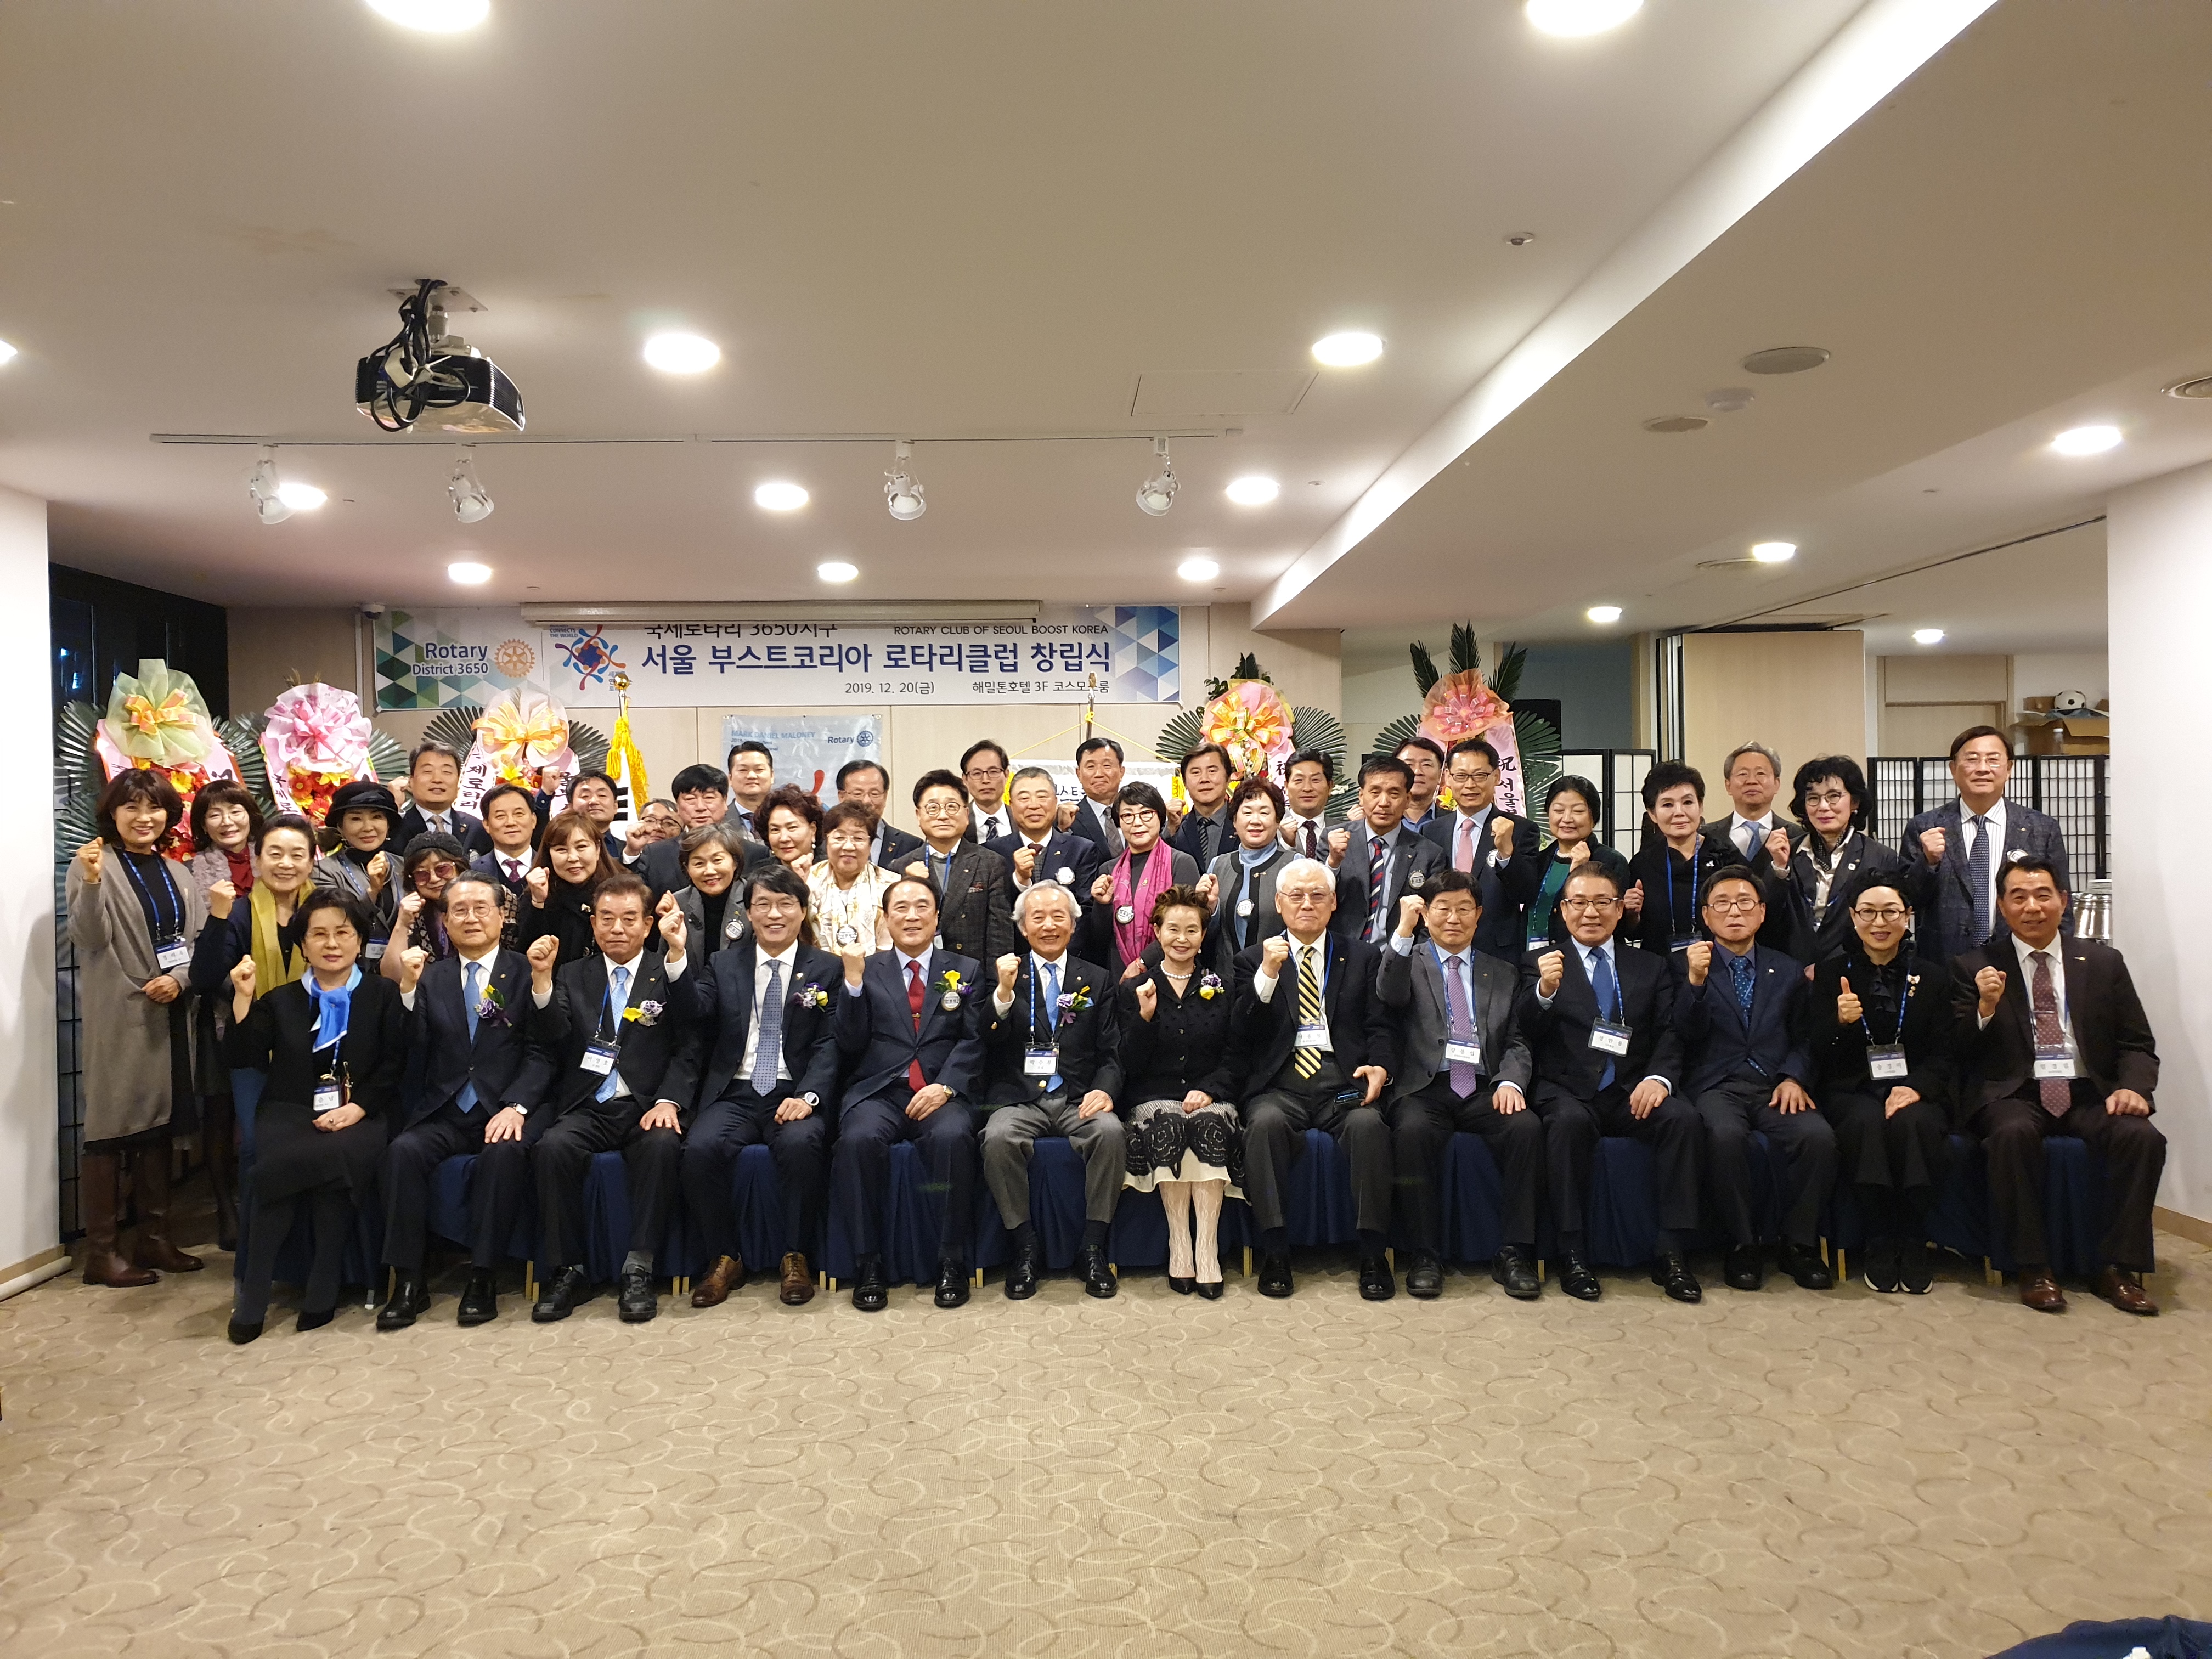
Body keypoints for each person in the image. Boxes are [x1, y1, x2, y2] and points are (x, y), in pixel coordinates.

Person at [1954, 855, 2162, 1315]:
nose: (2032, 907)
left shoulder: (2103, 962)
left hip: (2090, 1090)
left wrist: (2134, 1089)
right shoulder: (1975, 965)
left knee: (2142, 1137)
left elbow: (2137, 1043)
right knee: (2011, 1135)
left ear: (2063, 901)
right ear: (2002, 907)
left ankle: (2117, 1268)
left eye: (2043, 895)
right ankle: (2032, 1266)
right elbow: (1958, 1051)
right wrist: (1985, 1009)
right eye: (2019, 897)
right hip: (2014, 1091)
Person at [223, 889, 409, 1342]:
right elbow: (245, 1055)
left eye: (343, 933)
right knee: (289, 1156)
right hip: (289, 1110)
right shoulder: (280, 999)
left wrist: (358, 1108)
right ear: (302, 945)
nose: (331, 944)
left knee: (333, 1155)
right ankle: (257, 1292)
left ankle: (321, 1282)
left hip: (362, 1111)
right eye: (319, 934)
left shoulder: (383, 995)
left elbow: (395, 1063)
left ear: (359, 941)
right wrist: (243, 999)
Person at [1517, 861, 1700, 1304]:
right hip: (1567, 1089)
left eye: (1603, 902)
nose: (1591, 912)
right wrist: (1544, 992)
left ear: (1620, 910)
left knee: (1682, 1120)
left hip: (1631, 1088)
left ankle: (1672, 1252)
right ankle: (1572, 1253)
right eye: (1579, 902)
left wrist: (1658, 1079)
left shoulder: (1650, 966)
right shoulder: (1540, 963)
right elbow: (1525, 1031)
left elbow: (1670, 1032)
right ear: (1563, 910)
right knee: (1566, 1125)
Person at [526, 871, 703, 1324]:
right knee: (552, 1148)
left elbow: (690, 1043)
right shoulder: (573, 973)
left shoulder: (668, 970)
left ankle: (639, 1268)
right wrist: (542, 982)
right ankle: (568, 1270)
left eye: (629, 919)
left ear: (648, 925)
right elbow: (553, 1037)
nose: (617, 929)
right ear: (594, 924)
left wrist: (669, 1101)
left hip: (646, 1102)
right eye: (606, 919)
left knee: (662, 1146)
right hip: (588, 1102)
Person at [377, 872, 550, 1330]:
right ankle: (409, 1280)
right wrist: (408, 992)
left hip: (506, 1108)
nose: (471, 918)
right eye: (459, 911)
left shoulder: (525, 971)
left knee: (503, 1153)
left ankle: (483, 1276)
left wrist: (517, 1106)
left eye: (481, 909)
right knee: (402, 1152)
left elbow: (543, 1052)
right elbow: (412, 1049)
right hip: (447, 1108)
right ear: (446, 921)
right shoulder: (431, 977)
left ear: (501, 915)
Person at [68, 771, 210, 1287]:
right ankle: (101, 1253)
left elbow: (199, 940)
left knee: (160, 1124)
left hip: (172, 1010)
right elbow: (88, 937)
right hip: (122, 1013)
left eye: (154, 807)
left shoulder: (178, 872)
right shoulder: (94, 863)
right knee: (110, 1128)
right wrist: (90, 882)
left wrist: (180, 979)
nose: (144, 817)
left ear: (169, 815)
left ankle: (153, 1239)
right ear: (113, 813)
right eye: (132, 807)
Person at [680, 865, 843, 1308]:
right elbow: (695, 1012)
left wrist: (809, 1096)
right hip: (735, 1089)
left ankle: (796, 1256)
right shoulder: (723, 963)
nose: (774, 915)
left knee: (802, 1144)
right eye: (763, 905)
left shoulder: (826, 967)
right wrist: (677, 956)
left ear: (803, 911)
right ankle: (725, 1257)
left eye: (785, 904)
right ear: (748, 913)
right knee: (699, 1149)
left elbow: (830, 1042)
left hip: (793, 1089)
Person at [1232, 857, 1395, 1300]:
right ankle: (1275, 1252)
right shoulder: (1252, 959)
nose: (1307, 904)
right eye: (1297, 896)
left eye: (1318, 895)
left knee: (1368, 1125)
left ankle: (1373, 1254)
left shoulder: (1362, 956)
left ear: (1334, 902)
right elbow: (1241, 1032)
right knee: (1264, 1126)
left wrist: (1380, 1066)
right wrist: (1267, 975)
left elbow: (1381, 1025)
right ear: (1279, 903)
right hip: (1280, 1084)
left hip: (1342, 1083)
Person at [830, 874, 990, 1312]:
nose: (912, 916)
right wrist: (853, 985)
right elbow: (849, 1042)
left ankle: (951, 1259)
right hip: (881, 1090)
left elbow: (974, 1040)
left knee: (953, 1138)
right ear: (885, 918)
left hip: (941, 1090)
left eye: (922, 906)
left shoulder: (967, 970)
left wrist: (946, 1086)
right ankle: (868, 1263)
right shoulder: (866, 968)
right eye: (901, 908)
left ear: (937, 916)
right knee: (857, 1141)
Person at [1378, 871, 1541, 1299]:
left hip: (1485, 1085)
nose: (1454, 918)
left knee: (1525, 1127)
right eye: (1443, 908)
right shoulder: (1407, 961)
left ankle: (1515, 1252)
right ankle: (1424, 1255)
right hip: (1425, 1085)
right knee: (1412, 1131)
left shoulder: (1503, 971)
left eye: (1464, 908)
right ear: (1426, 913)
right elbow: (1389, 994)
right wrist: (1402, 932)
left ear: (1479, 914)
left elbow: (1518, 1040)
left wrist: (1511, 1082)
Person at [1674, 868, 1836, 1292]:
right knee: (1725, 1137)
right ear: (1706, 916)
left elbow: (1805, 1035)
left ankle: (1799, 1244)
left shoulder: (1788, 969)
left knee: (1817, 1137)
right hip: (1716, 1084)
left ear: (1762, 912)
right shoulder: (1687, 966)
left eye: (1745, 902)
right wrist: (1695, 983)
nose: (1734, 912)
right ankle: (1742, 1243)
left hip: (1773, 1084)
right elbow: (1683, 1033)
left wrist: (1794, 1077)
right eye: (1722, 904)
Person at [979, 882, 1125, 1300]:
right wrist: (1003, 993)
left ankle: (1092, 1247)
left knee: (1111, 1133)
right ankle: (1025, 1246)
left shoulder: (1096, 978)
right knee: (998, 1137)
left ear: (1074, 925)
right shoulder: (1004, 973)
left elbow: (1112, 1051)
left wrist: (1105, 1091)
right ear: (1023, 928)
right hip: (1021, 1096)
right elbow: (988, 1038)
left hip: (1078, 1096)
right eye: (1038, 918)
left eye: (1058, 916)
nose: (1048, 926)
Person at [1806, 883, 1953, 1295]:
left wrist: (1916, 1088)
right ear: (1853, 918)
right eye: (1868, 912)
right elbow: (1817, 1050)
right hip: (1852, 1088)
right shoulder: (1831, 974)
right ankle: (1879, 1238)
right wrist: (1839, 1023)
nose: (1879, 922)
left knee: (1915, 1123)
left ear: (1908, 916)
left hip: (1913, 1087)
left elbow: (1944, 1053)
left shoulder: (1933, 976)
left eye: (1890, 912)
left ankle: (1914, 1238)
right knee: (1867, 1123)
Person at [190, 811, 321, 1254]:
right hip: (254, 1047)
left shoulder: (325, 911)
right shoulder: (239, 913)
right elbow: (205, 978)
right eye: (275, 854)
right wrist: (217, 917)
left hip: (315, 1046)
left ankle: (304, 1241)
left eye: (297, 855)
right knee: (254, 1144)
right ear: (258, 859)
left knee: (311, 1141)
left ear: (312, 860)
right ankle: (258, 1246)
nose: (286, 864)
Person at [1118, 885, 1242, 1296]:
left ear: (1204, 935)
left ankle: (1207, 1248)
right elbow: (1129, 1064)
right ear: (1157, 932)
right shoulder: (1136, 988)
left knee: (1209, 1123)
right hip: (1153, 1095)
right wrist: (1146, 1018)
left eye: (1192, 930)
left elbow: (1236, 1055)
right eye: (1173, 929)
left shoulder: (1222, 986)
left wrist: (1210, 1090)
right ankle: (1179, 1244)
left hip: (1211, 1095)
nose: (1182, 939)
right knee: (1168, 1123)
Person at [1902, 725, 2072, 966]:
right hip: (1944, 964)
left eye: (1993, 760)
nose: (1982, 768)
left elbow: (2061, 904)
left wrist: (2054, 961)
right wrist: (1927, 863)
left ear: (2009, 768)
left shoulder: (2042, 828)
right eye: (1972, 759)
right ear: (1953, 769)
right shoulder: (1924, 827)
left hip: (2021, 960)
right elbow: (1906, 900)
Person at [184, 778, 264, 1252]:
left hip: (277, 996)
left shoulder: (275, 856)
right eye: (214, 814)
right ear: (202, 824)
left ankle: (264, 1201)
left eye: (235, 810)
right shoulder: (192, 871)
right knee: (220, 1109)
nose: (227, 821)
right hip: (218, 1003)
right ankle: (225, 1209)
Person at [1773, 757, 1904, 966]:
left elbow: (1881, 924)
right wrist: (1779, 870)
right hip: (1791, 971)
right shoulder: (1785, 851)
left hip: (1852, 969)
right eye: (1813, 798)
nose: (1823, 807)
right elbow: (1770, 917)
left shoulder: (1880, 857)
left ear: (1855, 802)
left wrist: (1829, 969)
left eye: (1834, 796)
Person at [1422, 738, 1538, 964]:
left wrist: (1507, 853)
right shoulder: (1431, 831)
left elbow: (1526, 893)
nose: (1470, 785)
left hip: (1497, 953)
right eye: (1461, 776)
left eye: (1480, 776)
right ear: (1448, 778)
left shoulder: (1521, 829)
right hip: (1440, 948)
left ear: (1497, 776)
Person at [1078, 782, 1200, 975]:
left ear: (1160, 816)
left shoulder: (1181, 863)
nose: (1137, 823)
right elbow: (1100, 940)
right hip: (1120, 975)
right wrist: (1102, 905)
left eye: (1146, 813)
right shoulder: (1108, 870)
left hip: (1168, 972)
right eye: (1128, 816)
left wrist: (1143, 963)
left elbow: (1187, 927)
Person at [1624, 761, 1742, 960]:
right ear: (1652, 814)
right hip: (1659, 966)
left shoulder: (1726, 857)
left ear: (1700, 806)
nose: (1679, 812)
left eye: (1688, 802)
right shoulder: (1643, 864)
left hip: (1718, 963)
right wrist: (1631, 914)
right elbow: (1633, 933)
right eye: (1667, 805)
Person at [1503, 775, 1631, 955]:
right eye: (1558, 810)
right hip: (1533, 958)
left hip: (1583, 959)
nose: (1567, 819)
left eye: (1578, 811)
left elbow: (1616, 923)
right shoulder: (1540, 859)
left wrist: (1581, 871)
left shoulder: (1610, 861)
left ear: (1594, 818)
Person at [1328, 755, 1447, 945]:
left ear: (1407, 799)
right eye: (1375, 792)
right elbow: (1318, 898)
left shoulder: (1429, 854)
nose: (1384, 802)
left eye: (1394, 794)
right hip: (1341, 950)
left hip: (1399, 953)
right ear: (1361, 796)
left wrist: (1407, 954)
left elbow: (1431, 917)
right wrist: (1333, 863)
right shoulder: (1333, 840)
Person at [904, 769, 1017, 967]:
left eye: (951, 807)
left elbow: (999, 937)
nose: (943, 816)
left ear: (966, 814)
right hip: (918, 973)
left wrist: (996, 982)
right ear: (918, 815)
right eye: (933, 808)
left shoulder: (990, 864)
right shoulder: (901, 867)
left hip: (972, 975)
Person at [1198, 777, 1293, 980]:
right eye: (1247, 812)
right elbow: (1207, 936)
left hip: (1279, 978)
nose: (1255, 820)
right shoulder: (1218, 865)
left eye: (1265, 813)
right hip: (1225, 980)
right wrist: (1210, 907)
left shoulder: (1294, 864)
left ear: (1278, 820)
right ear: (1234, 821)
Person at [635, 764, 772, 899]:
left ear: (725, 801)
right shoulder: (655, 855)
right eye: (690, 799)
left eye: (709, 798)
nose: (700, 807)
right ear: (678, 807)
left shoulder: (755, 854)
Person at [987, 764, 1103, 913]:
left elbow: (1085, 910)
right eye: (1024, 798)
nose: (1034, 805)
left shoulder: (1081, 850)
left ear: (1055, 802)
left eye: (1042, 797)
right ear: (1011, 805)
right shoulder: (992, 853)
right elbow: (993, 911)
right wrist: (1020, 880)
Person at [313, 779, 402, 953]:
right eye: (356, 819)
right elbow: (332, 923)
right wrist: (372, 892)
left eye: (377, 817)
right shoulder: (323, 871)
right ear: (340, 827)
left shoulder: (404, 865)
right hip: (349, 963)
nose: (368, 827)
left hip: (405, 963)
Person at [1702, 742, 1805, 879]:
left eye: (1760, 773)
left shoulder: (1798, 837)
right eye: (1743, 774)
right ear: (1728, 785)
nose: (1751, 781)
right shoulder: (1705, 837)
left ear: (1777, 784)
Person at [520, 809, 610, 967]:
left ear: (597, 849)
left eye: (581, 847)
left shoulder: (621, 890)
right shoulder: (536, 895)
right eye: (561, 850)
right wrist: (537, 903)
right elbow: (523, 957)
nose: (573, 858)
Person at [809, 802, 899, 956]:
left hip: (878, 968)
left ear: (870, 845)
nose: (849, 846)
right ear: (827, 841)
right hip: (816, 969)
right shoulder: (807, 881)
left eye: (858, 838)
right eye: (840, 837)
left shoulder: (891, 885)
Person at [381, 832, 469, 985]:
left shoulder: (488, 898)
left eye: (442, 869)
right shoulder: (413, 912)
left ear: (460, 868)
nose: (434, 878)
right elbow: (392, 976)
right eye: (422, 874)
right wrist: (402, 923)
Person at [665, 822, 752, 961]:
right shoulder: (678, 904)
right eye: (699, 863)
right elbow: (665, 962)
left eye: (717, 860)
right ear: (687, 868)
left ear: (735, 862)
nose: (709, 871)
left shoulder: (754, 898)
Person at [472, 781, 540, 947]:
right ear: (487, 825)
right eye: (500, 816)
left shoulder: (551, 868)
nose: (511, 822)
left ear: (533, 820)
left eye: (519, 814)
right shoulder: (472, 874)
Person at [394, 741, 488, 859]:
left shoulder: (477, 829)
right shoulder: (395, 829)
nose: (437, 779)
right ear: (411, 782)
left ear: (459, 781)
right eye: (428, 771)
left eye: (447, 772)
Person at [830, 759, 923, 868]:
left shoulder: (911, 845)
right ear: (842, 797)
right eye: (858, 794)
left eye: (875, 794)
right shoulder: (824, 842)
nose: (867, 801)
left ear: (885, 796)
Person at [1169, 742, 1235, 867]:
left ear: (1228, 778)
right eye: (1196, 772)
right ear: (1184, 782)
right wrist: (1171, 831)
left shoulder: (1245, 825)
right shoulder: (1175, 829)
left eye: (1212, 771)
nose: (1204, 779)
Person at [1063, 736, 1126, 856]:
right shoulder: (1069, 821)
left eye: (1107, 766)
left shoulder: (1140, 814)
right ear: (1079, 774)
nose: (1099, 774)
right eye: (1091, 767)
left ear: (1121, 772)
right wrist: (1062, 828)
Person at [755, 783, 823, 882]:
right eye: (775, 830)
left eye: (792, 828)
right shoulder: (758, 875)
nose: (784, 838)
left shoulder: (832, 869)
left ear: (813, 830)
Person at [1279, 748, 1336, 862]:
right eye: (1299, 780)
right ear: (1286, 787)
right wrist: (1287, 845)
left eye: (1315, 780)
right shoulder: (1270, 830)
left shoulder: (1343, 830)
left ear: (1330, 786)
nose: (1307, 788)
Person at [565, 770, 628, 864]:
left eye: (602, 795)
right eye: (585, 796)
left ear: (615, 806)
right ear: (570, 807)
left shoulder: (630, 851)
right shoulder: (560, 849)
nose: (594, 801)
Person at [960, 740, 1013, 843]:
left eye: (993, 772)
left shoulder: (1022, 819)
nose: (985, 780)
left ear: (1007, 774)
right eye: (977, 774)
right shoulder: (957, 822)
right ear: (965, 779)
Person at [1395, 736, 1447, 833]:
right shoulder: (1378, 820)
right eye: (1409, 765)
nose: (1417, 772)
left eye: (1426, 765)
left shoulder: (1456, 824)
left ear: (1441, 776)